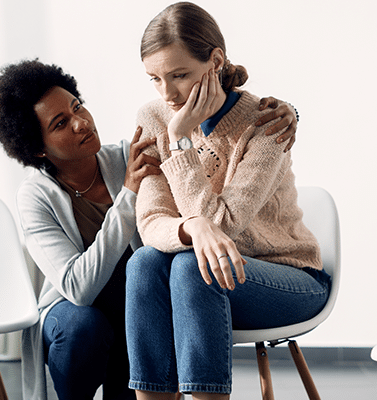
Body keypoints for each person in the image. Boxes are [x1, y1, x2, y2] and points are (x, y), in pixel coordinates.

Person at [0, 59, 300, 400]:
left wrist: (287, 112)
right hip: (74, 313)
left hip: (132, 307)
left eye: (77, 107)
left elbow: (197, 144)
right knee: (83, 328)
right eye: (61, 123)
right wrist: (128, 194)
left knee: (145, 281)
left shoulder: (129, 155)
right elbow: (78, 288)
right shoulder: (35, 196)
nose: (81, 123)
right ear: (37, 147)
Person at [126, 2, 332, 400]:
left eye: (179, 75)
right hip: (211, 276)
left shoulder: (266, 122)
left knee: (190, 265)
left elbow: (224, 224)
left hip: (288, 279)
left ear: (215, 61)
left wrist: (182, 138)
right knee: (145, 262)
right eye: (154, 79)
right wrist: (192, 226)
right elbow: (151, 221)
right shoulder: (152, 117)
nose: (167, 93)